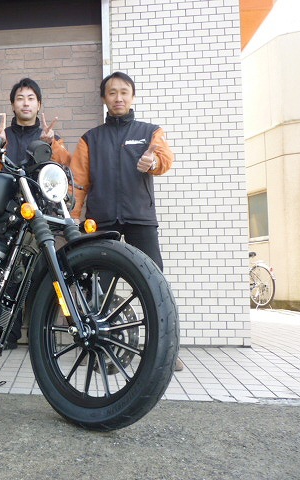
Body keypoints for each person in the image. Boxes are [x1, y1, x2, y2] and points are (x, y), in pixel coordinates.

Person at [69, 71, 183, 371]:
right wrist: (73, 218)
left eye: (124, 92)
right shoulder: (90, 139)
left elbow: (165, 159)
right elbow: (78, 183)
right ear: (104, 98)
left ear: (132, 96)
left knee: (154, 286)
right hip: (100, 221)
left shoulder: (150, 132)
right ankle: (101, 349)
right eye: (112, 93)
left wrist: (153, 162)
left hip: (140, 219)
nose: (118, 98)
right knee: (99, 289)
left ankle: (165, 351)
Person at [0, 77, 71, 349]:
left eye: (31, 98)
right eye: (20, 98)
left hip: (42, 217)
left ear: (39, 105)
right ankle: (5, 334)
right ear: (13, 105)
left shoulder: (50, 137)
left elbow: (64, 171)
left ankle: (43, 336)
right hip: (8, 215)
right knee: (9, 276)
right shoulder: (3, 135)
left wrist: (52, 146)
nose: (25, 103)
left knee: (45, 276)